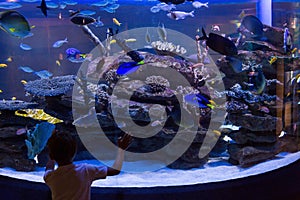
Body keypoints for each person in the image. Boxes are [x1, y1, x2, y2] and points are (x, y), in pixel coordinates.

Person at [44, 130, 132, 200]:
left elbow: (49, 166)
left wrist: (52, 141)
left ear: (51, 155)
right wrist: (121, 149)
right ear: (74, 151)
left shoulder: (50, 177)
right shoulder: (85, 170)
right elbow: (115, 170)